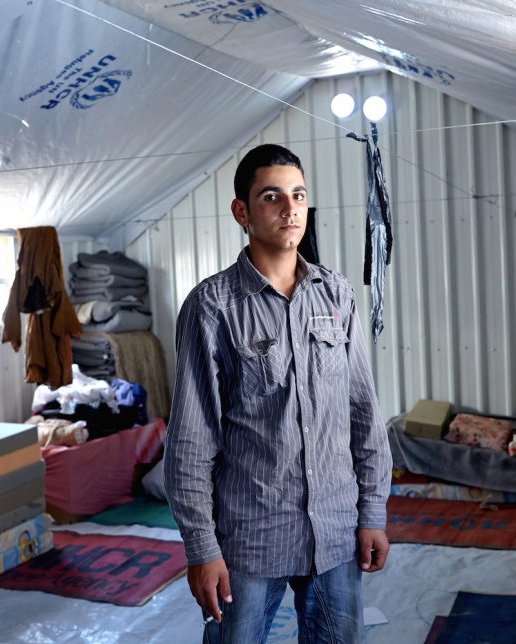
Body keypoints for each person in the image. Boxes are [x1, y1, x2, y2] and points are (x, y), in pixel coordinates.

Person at [164, 143, 392, 643]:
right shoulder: (212, 307)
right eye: (272, 196)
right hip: (249, 537)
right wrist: (202, 549)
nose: (290, 209)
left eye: (299, 195)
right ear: (241, 212)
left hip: (335, 531)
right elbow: (190, 440)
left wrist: (372, 512)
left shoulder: (337, 295)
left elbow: (363, 413)